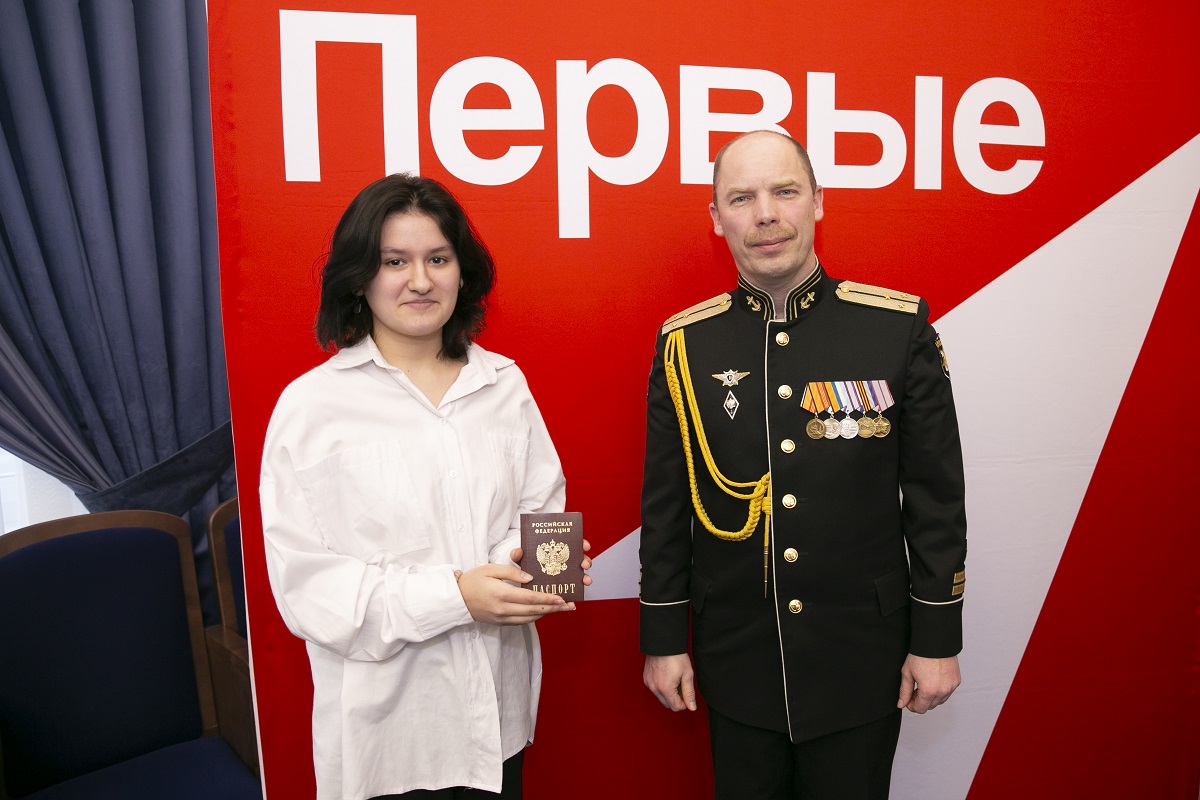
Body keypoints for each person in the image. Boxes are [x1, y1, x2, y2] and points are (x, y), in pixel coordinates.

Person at [639, 130, 967, 800]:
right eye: (742, 198)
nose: (765, 214)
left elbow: (936, 500)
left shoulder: (895, 329)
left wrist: (937, 638)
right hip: (738, 660)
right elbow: (666, 506)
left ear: (818, 201)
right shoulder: (685, 345)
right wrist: (664, 638)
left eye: (785, 191)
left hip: (862, 659)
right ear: (717, 218)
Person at [260, 173, 589, 800]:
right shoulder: (311, 408)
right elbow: (311, 591)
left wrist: (533, 568)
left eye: (438, 259)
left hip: (497, 724)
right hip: (390, 739)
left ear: (463, 273)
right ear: (360, 276)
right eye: (395, 261)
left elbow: (539, 509)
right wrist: (458, 596)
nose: (420, 280)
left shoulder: (504, 385)